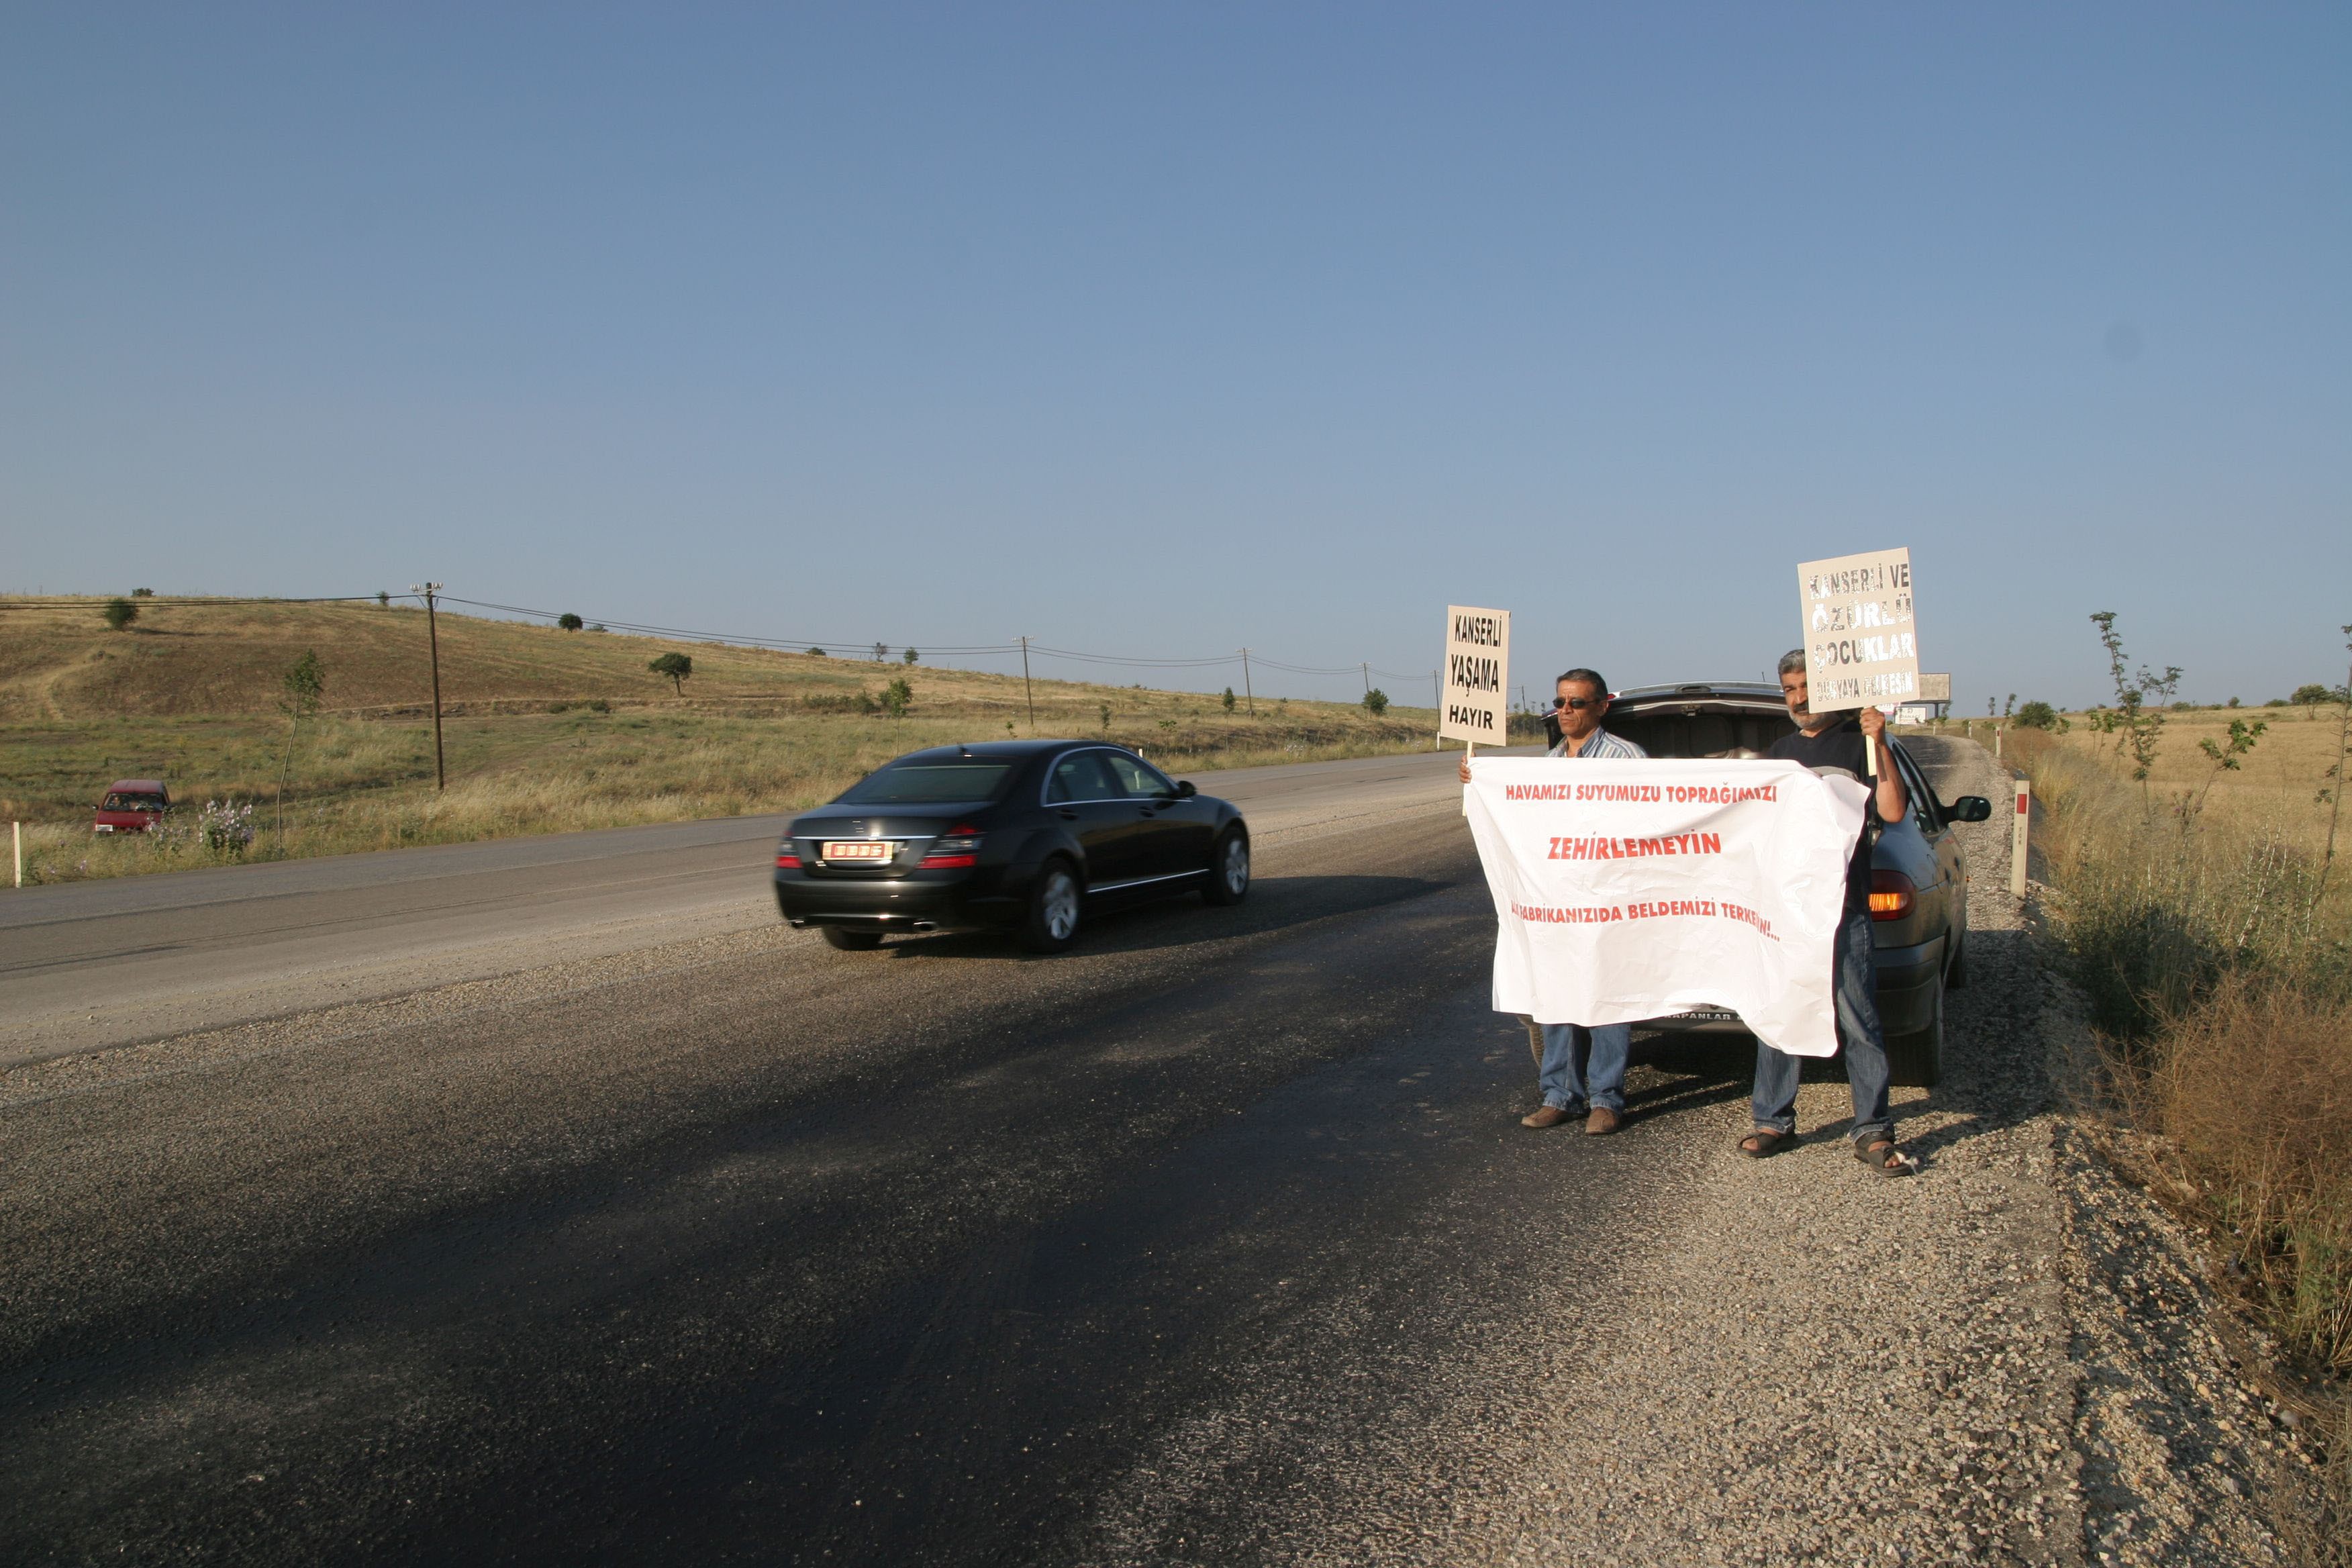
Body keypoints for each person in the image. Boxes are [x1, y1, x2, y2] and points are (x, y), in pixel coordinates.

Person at [1741, 649, 1918, 1177]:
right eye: (1789, 690)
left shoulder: (1860, 743)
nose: (1797, 699)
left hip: (1844, 909)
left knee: (1859, 1019)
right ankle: (1772, 1119)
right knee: (1781, 1014)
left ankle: (1872, 1129)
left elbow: (1891, 810)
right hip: (1788, 911)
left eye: (1806, 688)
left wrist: (1880, 742)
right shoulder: (1780, 751)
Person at [1462, 668, 1647, 1135]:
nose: (1565, 711)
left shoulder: (1628, 759)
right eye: (1560, 703)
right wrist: (1479, 780)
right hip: (1558, 901)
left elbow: (1648, 828)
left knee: (1608, 998)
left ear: (1602, 706)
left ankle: (1606, 1099)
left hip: (1609, 901)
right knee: (1558, 994)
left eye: (1577, 703)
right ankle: (1560, 1095)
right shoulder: (1545, 766)